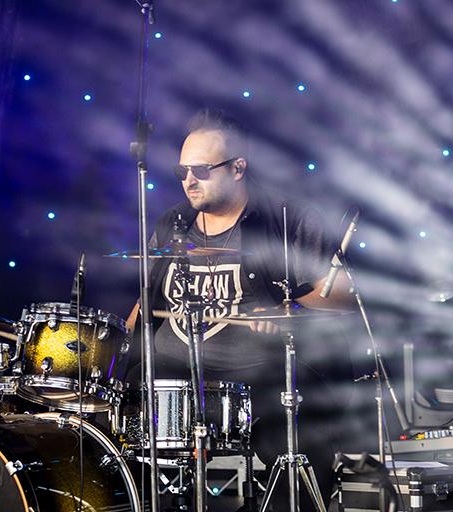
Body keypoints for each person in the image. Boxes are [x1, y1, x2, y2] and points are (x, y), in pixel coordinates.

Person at [125, 108, 354, 509]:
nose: (189, 181)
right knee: (121, 432)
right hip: (173, 375)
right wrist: (112, 347)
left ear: (237, 168)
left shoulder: (284, 220)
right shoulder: (171, 223)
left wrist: (286, 307)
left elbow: (344, 294)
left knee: (305, 438)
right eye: (182, 172)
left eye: (200, 169)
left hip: (257, 380)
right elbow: (146, 302)